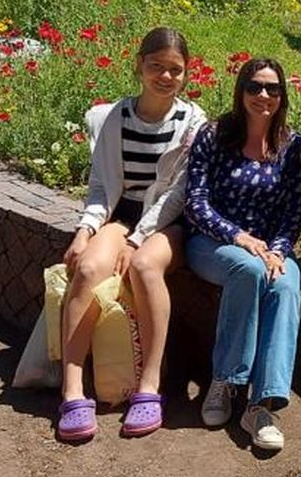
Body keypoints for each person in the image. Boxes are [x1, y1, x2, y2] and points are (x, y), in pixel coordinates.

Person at [57, 26, 207, 443]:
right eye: (156, 66)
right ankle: (71, 389)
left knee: (142, 268)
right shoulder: (115, 117)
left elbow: (178, 194)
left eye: (175, 70)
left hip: (166, 224)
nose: (165, 76)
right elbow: (102, 186)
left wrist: (138, 238)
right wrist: (86, 229)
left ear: (186, 74)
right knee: (87, 269)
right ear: (139, 65)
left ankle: (149, 385)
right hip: (121, 217)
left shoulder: (193, 122)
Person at [184, 57, 301, 452]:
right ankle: (225, 381)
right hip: (211, 243)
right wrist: (239, 237)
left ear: (282, 96)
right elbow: (196, 202)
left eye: (273, 88)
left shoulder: (291, 146)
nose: (263, 96)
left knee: (286, 284)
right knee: (249, 271)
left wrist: (278, 250)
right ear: (241, 90)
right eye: (254, 87)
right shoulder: (215, 135)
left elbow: (293, 211)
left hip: (268, 248)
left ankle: (261, 403)